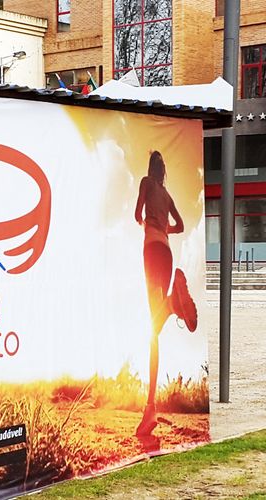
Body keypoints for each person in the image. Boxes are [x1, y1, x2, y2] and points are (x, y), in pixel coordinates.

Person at [134, 151, 197, 436]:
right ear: (164, 172)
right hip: (167, 252)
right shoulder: (167, 195)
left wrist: (145, 222)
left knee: (153, 326)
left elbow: (137, 213)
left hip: (151, 248)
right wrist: (165, 227)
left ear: (151, 169)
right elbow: (180, 225)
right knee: (154, 330)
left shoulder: (145, 183)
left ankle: (172, 304)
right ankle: (150, 409)